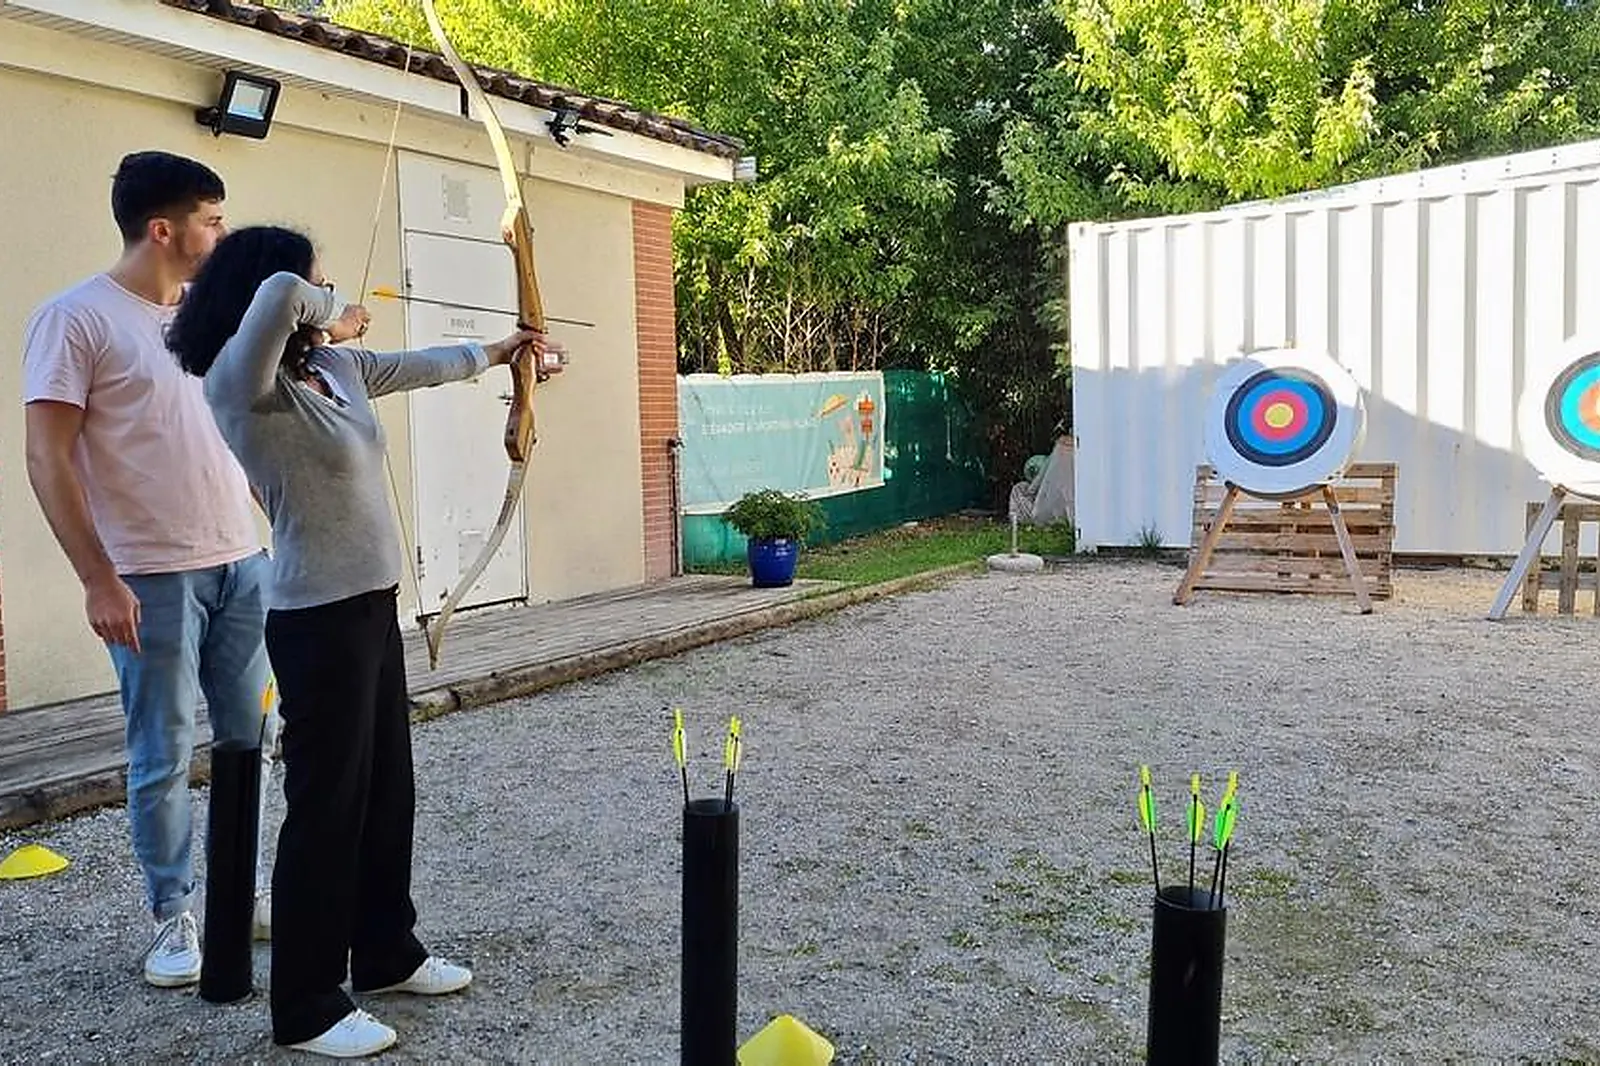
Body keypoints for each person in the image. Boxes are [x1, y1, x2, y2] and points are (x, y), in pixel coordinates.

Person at [166, 224, 558, 1058]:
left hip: (372, 607)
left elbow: (418, 366)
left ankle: (384, 953)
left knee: (387, 790)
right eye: (319, 277)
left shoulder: (333, 371)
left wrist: (504, 353)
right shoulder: (242, 384)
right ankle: (305, 1006)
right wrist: (331, 308)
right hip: (314, 619)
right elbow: (279, 298)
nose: (328, 288)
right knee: (326, 807)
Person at [21, 150, 279, 990]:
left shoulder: (212, 316)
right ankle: (174, 913)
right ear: (163, 229)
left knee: (252, 742)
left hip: (241, 565)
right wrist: (97, 577)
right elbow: (47, 456)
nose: (223, 233)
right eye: (211, 219)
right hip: (148, 580)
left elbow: (232, 421)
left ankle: (239, 892)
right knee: (162, 750)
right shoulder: (76, 319)